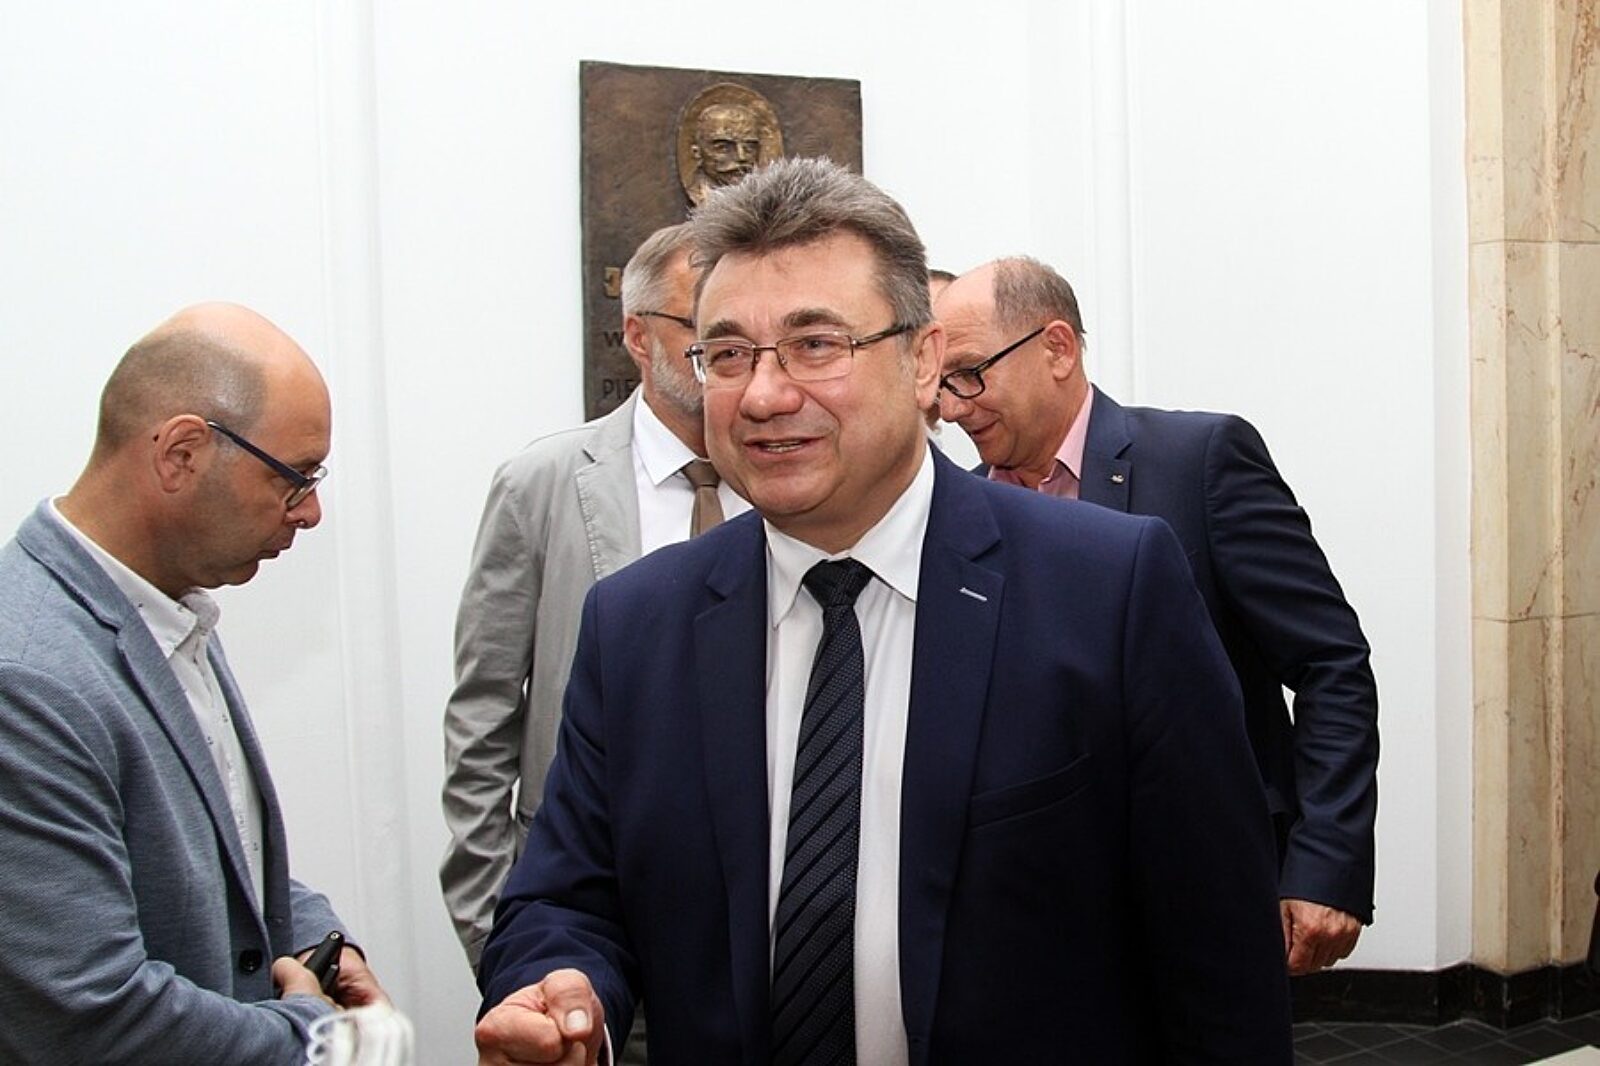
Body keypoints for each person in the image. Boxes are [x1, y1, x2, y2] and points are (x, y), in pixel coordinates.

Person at [473, 159, 1292, 1064]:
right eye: (729, 354)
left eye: (816, 344)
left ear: (924, 359)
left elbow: (1219, 960)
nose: (764, 394)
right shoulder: (636, 625)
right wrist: (560, 984)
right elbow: (566, 896)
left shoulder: (1109, 590)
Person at [934, 256, 1380, 975]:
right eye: (942, 384)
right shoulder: (957, 512)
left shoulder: (1198, 462)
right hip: (1023, 914)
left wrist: (1327, 862)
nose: (953, 408)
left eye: (969, 374)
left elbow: (1331, 663)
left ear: (1056, 348)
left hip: (1204, 889)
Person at [0, 303, 386, 1064]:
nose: (310, 512)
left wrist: (318, 940)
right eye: (294, 478)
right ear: (182, 453)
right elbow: (85, 1017)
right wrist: (313, 1039)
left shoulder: (162, 609)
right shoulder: (28, 679)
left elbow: (209, 852)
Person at [441, 223, 749, 975]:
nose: (723, 352)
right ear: (638, 337)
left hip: (758, 926)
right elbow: (483, 717)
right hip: (589, 916)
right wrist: (497, 930)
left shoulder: (789, 479)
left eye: (738, 332)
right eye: (700, 327)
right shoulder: (542, 484)